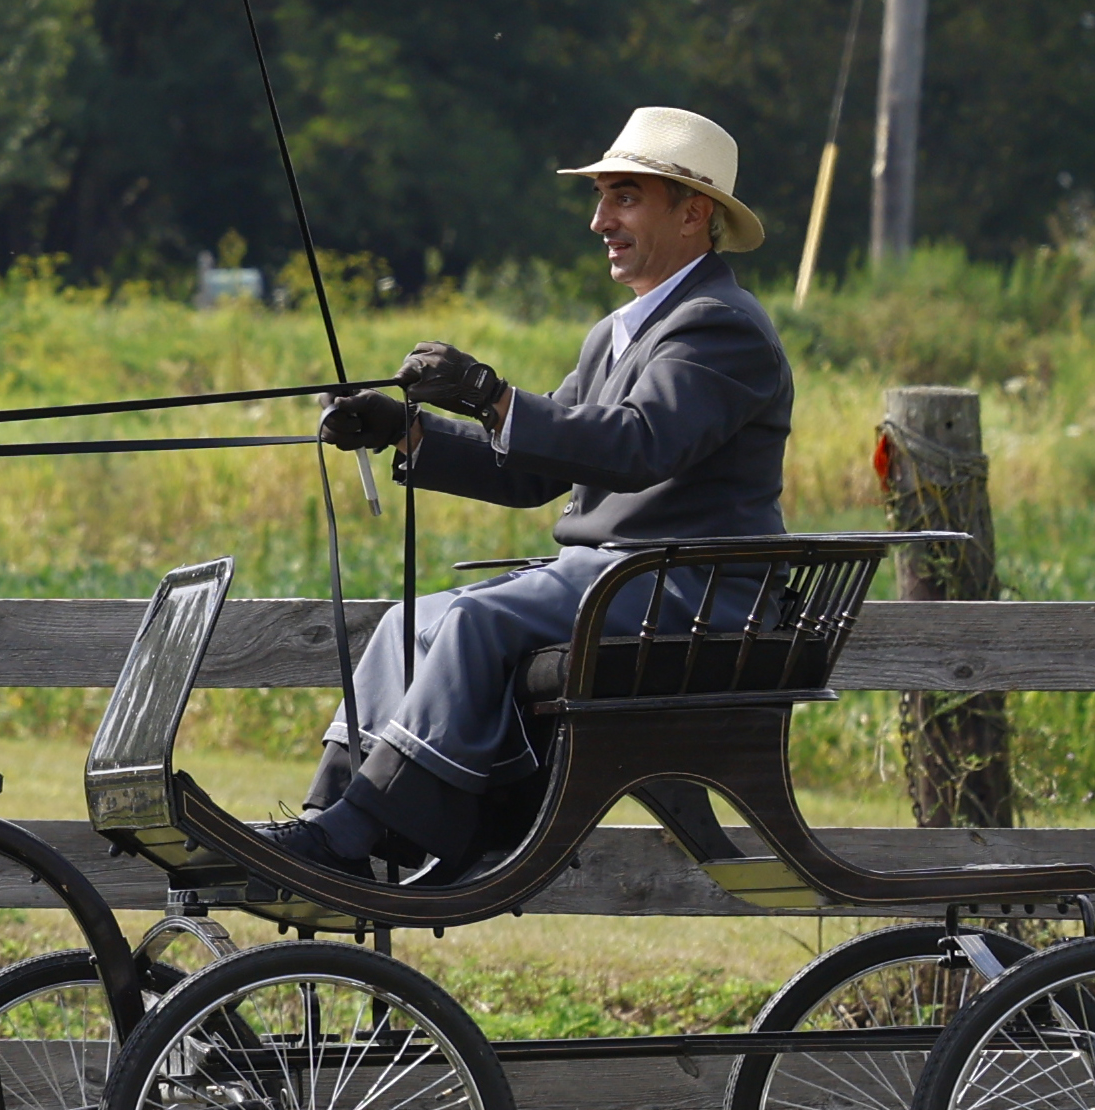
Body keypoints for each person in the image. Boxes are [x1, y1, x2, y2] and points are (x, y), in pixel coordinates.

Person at [251, 106, 794, 878]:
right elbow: (535, 469)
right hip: (614, 582)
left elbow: (642, 443)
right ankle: (332, 817)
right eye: (602, 196)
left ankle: (366, 828)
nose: (600, 219)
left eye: (625, 196)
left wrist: (491, 393)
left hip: (690, 591)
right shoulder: (617, 333)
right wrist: (405, 433)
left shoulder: (720, 327)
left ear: (693, 212)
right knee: (409, 622)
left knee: (475, 617)